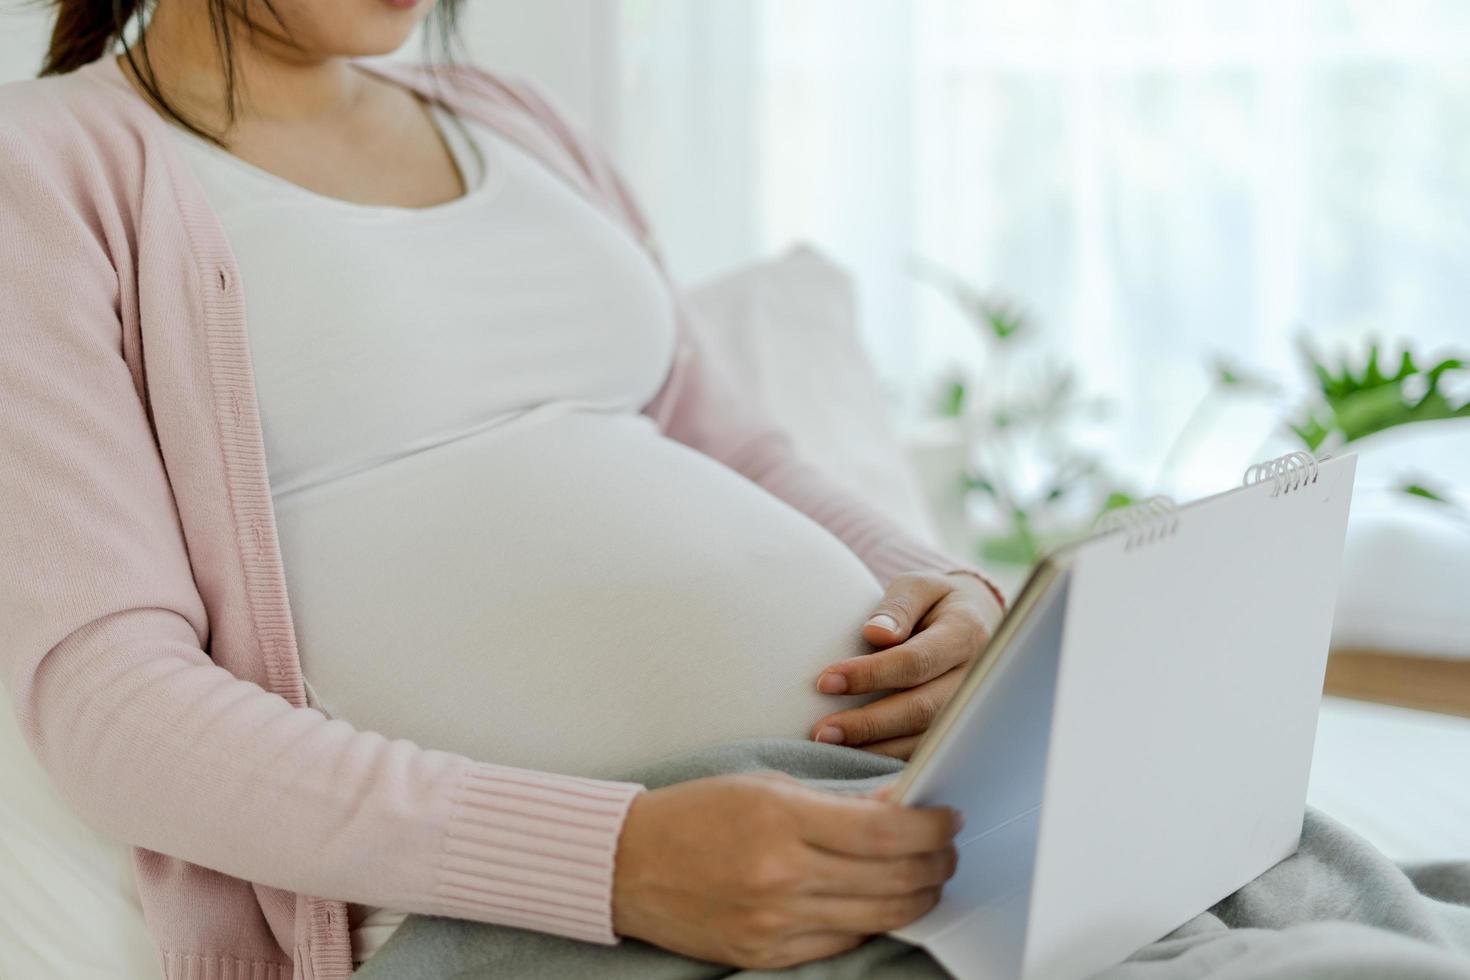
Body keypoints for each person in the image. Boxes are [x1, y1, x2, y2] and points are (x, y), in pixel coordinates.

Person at [0, 0, 1005, 975]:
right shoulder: (47, 165)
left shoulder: (515, 119)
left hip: (889, 808)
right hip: (569, 921)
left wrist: (954, 597)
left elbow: (738, 448)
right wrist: (615, 861)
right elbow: (111, 704)